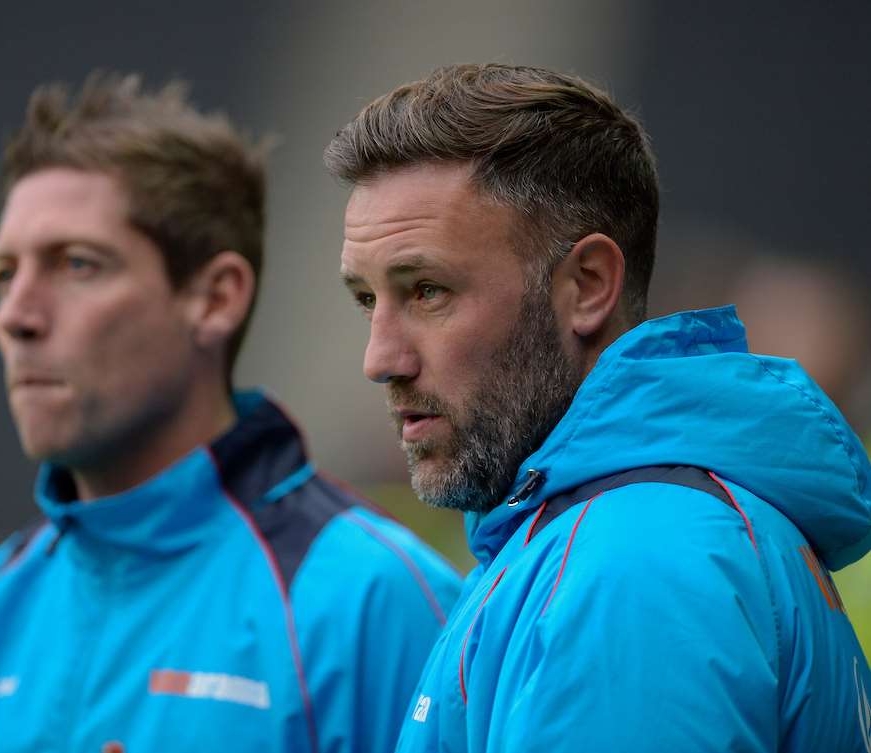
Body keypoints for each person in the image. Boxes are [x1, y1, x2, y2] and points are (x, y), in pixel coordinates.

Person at [0, 72, 460, 753]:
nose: (16, 315)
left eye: (77, 264)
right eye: (3, 274)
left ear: (216, 298)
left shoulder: (377, 604)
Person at [325, 64, 871, 752]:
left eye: (428, 290)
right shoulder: (617, 537)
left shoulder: (633, 566)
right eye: (368, 299)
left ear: (586, 286)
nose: (380, 358)